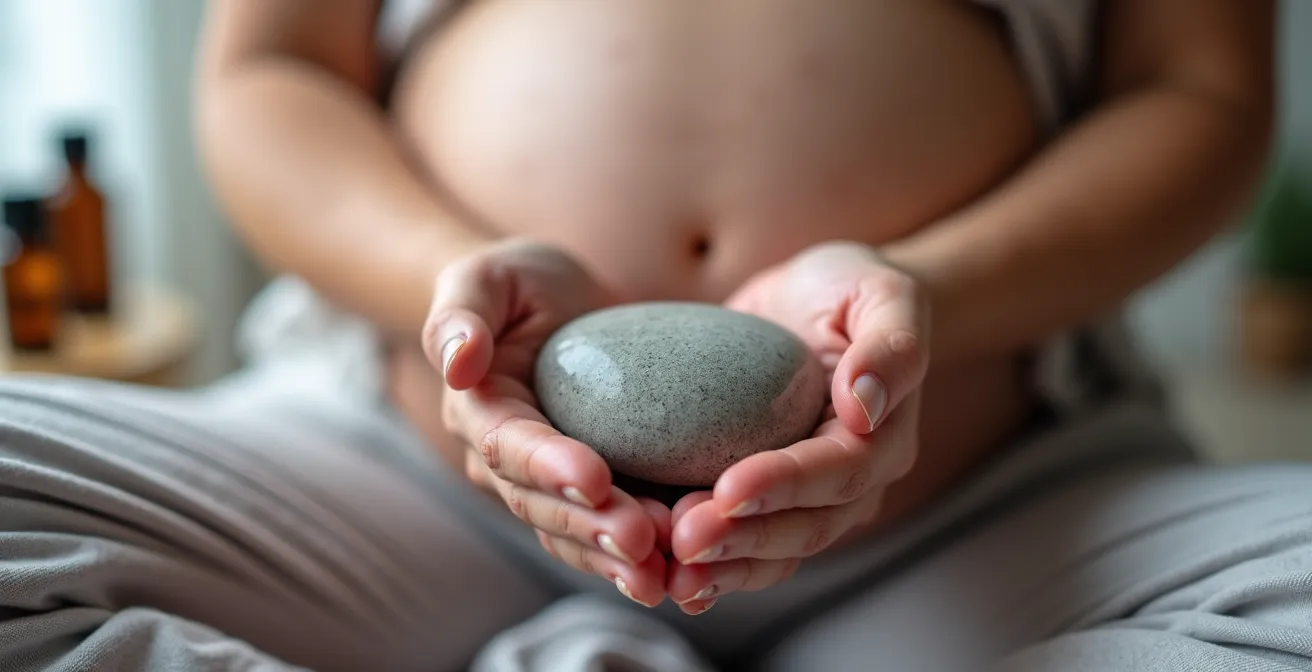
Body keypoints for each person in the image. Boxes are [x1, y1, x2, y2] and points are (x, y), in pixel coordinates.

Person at [0, 0, 1300, 670]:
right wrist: (453, 285)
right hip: (393, 486)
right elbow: (266, 72)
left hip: (982, 514)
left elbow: (1197, 91)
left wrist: (920, 298)